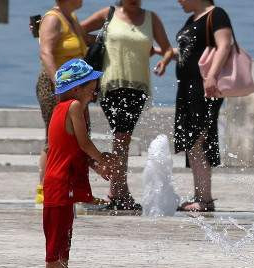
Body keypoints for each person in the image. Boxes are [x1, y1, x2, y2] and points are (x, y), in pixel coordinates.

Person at [35, 59, 116, 268]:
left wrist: (94, 165)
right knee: (59, 239)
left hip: (58, 181)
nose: (95, 87)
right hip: (61, 182)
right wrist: (102, 160)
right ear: (77, 87)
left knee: (61, 238)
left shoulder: (60, 109)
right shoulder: (73, 107)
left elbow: (70, 150)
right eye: (91, 83)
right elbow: (83, 143)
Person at [82, 0, 174, 211]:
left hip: (138, 86)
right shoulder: (110, 13)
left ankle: (117, 190)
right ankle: (119, 192)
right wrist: (100, 40)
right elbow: (78, 29)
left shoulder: (151, 18)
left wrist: (163, 61)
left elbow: (167, 49)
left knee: (122, 138)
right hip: (111, 84)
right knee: (121, 137)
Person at [172, 0, 234, 212]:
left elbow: (224, 44)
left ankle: (204, 199)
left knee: (199, 139)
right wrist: (166, 56)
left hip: (205, 87)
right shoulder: (192, 19)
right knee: (192, 141)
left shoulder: (216, 14)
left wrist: (212, 76)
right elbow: (190, 50)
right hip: (188, 88)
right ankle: (200, 195)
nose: (178, 1)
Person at [35, 0, 89, 205]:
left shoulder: (71, 18)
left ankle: (71, 187)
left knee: (76, 136)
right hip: (54, 86)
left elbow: (86, 42)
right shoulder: (53, 19)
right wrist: (59, 82)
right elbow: (45, 52)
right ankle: (44, 189)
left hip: (76, 87)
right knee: (55, 136)